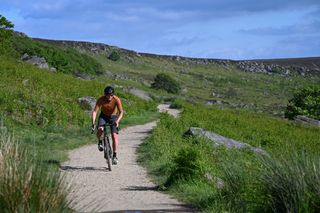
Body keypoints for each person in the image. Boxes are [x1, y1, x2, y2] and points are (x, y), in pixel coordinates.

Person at [92, 86, 123, 165]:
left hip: (113, 117)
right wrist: (93, 122)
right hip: (103, 116)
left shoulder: (116, 99)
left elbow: (121, 112)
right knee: (100, 129)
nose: (109, 97)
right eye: (108, 95)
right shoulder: (101, 99)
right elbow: (95, 111)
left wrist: (117, 121)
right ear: (105, 95)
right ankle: (100, 142)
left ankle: (115, 156)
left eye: (111, 95)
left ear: (113, 95)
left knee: (114, 136)